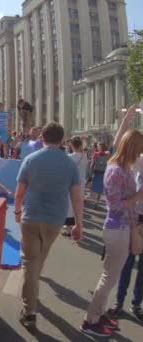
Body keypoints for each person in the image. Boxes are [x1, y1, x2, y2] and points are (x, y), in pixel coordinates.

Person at [14, 122, 84, 332]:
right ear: (62, 140)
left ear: (42, 138)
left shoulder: (30, 159)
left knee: (30, 262)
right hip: (55, 220)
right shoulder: (69, 164)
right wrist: (79, 224)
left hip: (31, 217)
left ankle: (29, 311)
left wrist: (17, 212)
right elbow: (77, 198)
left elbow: (19, 193)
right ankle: (32, 295)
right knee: (39, 258)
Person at [81, 124, 143, 337]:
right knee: (109, 277)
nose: (140, 154)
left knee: (111, 276)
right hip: (117, 228)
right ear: (132, 148)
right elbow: (116, 204)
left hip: (124, 227)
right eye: (139, 149)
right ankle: (90, 320)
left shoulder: (123, 167)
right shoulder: (116, 169)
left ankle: (98, 315)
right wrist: (138, 196)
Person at [105, 104, 143, 323]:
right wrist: (127, 119)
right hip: (134, 215)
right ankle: (119, 301)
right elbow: (118, 145)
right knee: (127, 262)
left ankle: (136, 303)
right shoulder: (138, 159)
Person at [62, 137, 89, 237]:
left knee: (69, 206)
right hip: (81, 184)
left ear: (72, 145)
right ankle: (78, 226)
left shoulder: (69, 157)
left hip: (71, 184)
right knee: (79, 206)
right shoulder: (85, 156)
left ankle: (69, 230)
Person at [90, 142, 110, 209]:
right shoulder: (107, 154)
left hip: (97, 173)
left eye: (98, 146)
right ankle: (97, 201)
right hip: (103, 173)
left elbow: (92, 164)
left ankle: (96, 201)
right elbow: (109, 163)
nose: (98, 147)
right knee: (100, 189)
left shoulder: (95, 154)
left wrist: (90, 172)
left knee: (95, 188)